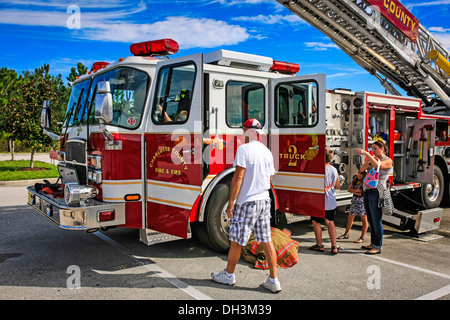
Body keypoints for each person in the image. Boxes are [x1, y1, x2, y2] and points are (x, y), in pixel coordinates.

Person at [211, 118, 280, 293]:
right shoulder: (267, 152)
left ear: (248, 132)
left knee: (236, 241)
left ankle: (228, 275)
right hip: (264, 201)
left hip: (247, 202)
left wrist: (231, 202)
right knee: (266, 240)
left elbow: (238, 177)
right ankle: (273, 280)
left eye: (243, 131)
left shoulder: (244, 149)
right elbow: (270, 178)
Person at [356, 140, 393, 255]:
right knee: (371, 219)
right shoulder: (372, 159)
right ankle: (373, 243)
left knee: (376, 220)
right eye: (372, 148)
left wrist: (367, 155)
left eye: (375, 148)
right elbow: (361, 169)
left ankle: (377, 246)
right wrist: (369, 161)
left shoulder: (388, 160)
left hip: (377, 191)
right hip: (367, 191)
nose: (373, 150)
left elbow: (378, 165)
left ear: (382, 148)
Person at [308, 149, 340, 254]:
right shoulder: (334, 170)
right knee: (330, 222)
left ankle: (319, 244)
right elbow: (338, 185)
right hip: (331, 199)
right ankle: (334, 246)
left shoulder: (317, 169)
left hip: (318, 200)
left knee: (316, 222)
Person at [337, 171, 368, 243]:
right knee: (350, 218)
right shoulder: (355, 180)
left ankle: (362, 237)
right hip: (354, 201)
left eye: (361, 174)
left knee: (364, 220)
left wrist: (354, 191)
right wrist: (356, 191)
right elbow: (349, 189)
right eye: (358, 173)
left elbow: (361, 193)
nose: (359, 175)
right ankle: (346, 234)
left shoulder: (365, 182)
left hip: (362, 202)